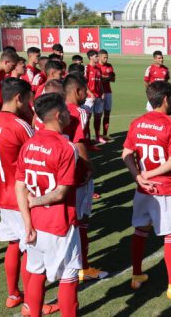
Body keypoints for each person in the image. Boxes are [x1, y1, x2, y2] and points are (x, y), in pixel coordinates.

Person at [121, 81, 171, 299]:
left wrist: (139, 176)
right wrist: (148, 175)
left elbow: (125, 154)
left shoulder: (137, 122)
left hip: (143, 190)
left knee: (140, 230)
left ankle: (136, 275)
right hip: (166, 188)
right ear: (165, 99)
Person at [16, 93, 82, 317]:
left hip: (35, 224)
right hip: (59, 225)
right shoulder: (67, 147)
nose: (68, 113)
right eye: (65, 110)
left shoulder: (29, 144)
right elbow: (60, 193)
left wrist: (27, 224)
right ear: (57, 115)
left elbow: (19, 187)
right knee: (68, 277)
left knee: (36, 273)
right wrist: (37, 200)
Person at [0, 78, 40, 309]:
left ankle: (13, 294)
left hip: (2, 193)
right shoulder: (20, 125)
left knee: (13, 245)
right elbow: (39, 155)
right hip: (21, 198)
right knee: (30, 248)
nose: (31, 104)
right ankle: (31, 304)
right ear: (19, 98)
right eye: (29, 99)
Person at [60, 74, 106, 282]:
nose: (86, 95)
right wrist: (88, 168)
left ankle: (66, 264)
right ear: (77, 91)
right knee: (81, 221)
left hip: (57, 174)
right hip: (77, 175)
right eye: (84, 91)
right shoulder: (79, 112)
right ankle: (82, 267)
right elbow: (79, 144)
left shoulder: (53, 110)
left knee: (67, 221)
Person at [84, 50, 103, 146]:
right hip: (89, 98)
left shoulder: (99, 69)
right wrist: (90, 93)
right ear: (90, 57)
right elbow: (83, 83)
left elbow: (100, 83)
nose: (98, 58)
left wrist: (102, 92)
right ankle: (87, 140)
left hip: (99, 97)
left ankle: (97, 136)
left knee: (98, 117)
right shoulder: (86, 68)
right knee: (87, 119)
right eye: (96, 56)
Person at [97, 49, 116, 141]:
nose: (106, 59)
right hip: (99, 93)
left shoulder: (109, 66)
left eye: (107, 57)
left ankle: (104, 134)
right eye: (104, 57)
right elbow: (97, 80)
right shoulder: (96, 66)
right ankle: (97, 135)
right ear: (99, 57)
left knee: (107, 113)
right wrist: (106, 77)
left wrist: (104, 77)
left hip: (108, 92)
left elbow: (113, 79)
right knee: (98, 114)